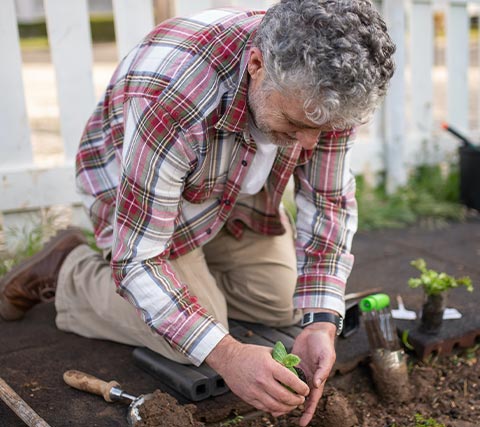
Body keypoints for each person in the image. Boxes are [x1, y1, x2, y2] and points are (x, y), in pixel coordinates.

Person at [0, 0, 395, 425]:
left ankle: (198, 273)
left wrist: (322, 322)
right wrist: (226, 354)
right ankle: (71, 272)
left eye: (324, 131)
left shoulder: (327, 87)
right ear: (256, 64)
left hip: (229, 186)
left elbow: (327, 203)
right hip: (139, 192)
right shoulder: (175, 97)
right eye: (295, 124)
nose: (309, 147)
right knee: (191, 337)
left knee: (287, 304)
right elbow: (141, 259)